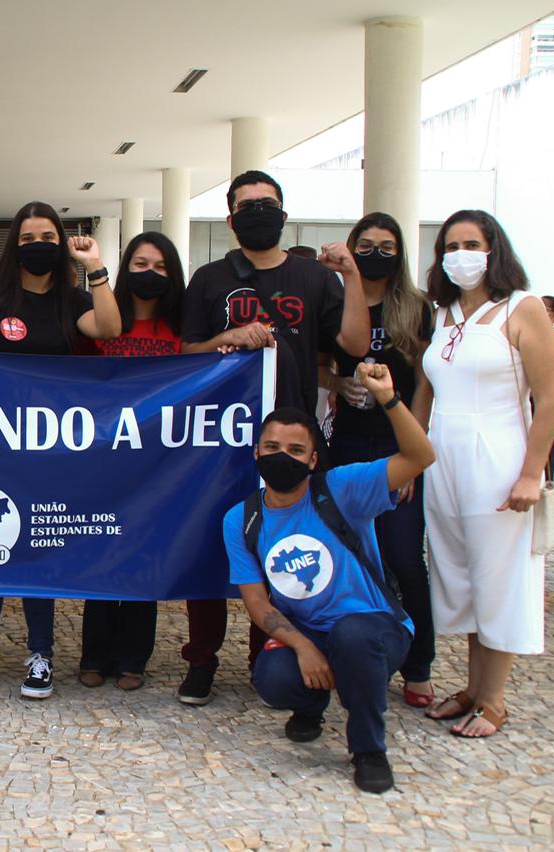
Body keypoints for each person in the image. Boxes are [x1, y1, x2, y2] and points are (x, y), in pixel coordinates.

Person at [176, 169, 370, 706]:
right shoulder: (210, 279)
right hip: (220, 441)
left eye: (267, 203)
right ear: (231, 217)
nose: (258, 212)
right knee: (213, 547)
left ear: (283, 212)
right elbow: (186, 352)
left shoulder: (313, 278)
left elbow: (353, 344)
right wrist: (228, 337)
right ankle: (201, 658)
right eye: (247, 205)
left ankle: (270, 654)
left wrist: (351, 276)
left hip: (290, 441)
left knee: (284, 548)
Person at [227, 370, 435, 794]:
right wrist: (303, 648)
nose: (282, 456)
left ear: (312, 460)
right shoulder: (242, 518)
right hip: (311, 633)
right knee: (272, 677)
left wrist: (389, 399)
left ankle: (369, 748)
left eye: (295, 450)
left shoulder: (343, 488)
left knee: (353, 637)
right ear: (256, 452)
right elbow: (258, 604)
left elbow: (420, 456)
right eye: (272, 447)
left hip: (375, 627)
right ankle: (311, 703)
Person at [0, 201, 121, 699]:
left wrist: (95, 267)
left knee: (39, 550)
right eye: (28, 238)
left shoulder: (72, 299)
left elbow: (110, 329)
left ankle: (41, 653)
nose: (38, 246)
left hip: (50, 449)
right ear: (15, 244)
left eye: (48, 237)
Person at [414, 209, 554, 738]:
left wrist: (531, 473)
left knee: (499, 576)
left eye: (471, 244)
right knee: (462, 574)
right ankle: (474, 688)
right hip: (445, 456)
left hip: (497, 455)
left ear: (493, 249)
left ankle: (494, 700)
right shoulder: (443, 313)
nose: (460, 254)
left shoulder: (522, 308)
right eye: (450, 246)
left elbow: (550, 398)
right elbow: (427, 392)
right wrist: (414, 458)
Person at [321, 212, 436, 709]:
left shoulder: (416, 307)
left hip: (398, 445)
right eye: (365, 244)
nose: (375, 254)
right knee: (353, 557)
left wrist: (413, 451)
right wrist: (336, 382)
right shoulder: (334, 300)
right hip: (347, 445)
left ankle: (419, 664)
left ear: (400, 253)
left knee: (405, 557)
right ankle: (357, 653)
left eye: (386, 246)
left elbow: (426, 381)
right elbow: (320, 364)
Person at [78, 231, 186, 691]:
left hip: (159, 468)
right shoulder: (105, 319)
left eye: (160, 267)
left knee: (144, 559)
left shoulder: (181, 328)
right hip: (103, 463)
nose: (150, 274)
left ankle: (133, 660)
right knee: (101, 555)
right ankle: (93, 656)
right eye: (141, 264)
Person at [539, 295, 554, 479]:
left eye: (543, 308)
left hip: (552, 403)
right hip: (523, 402)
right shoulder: (524, 336)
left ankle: (546, 487)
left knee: (547, 451)